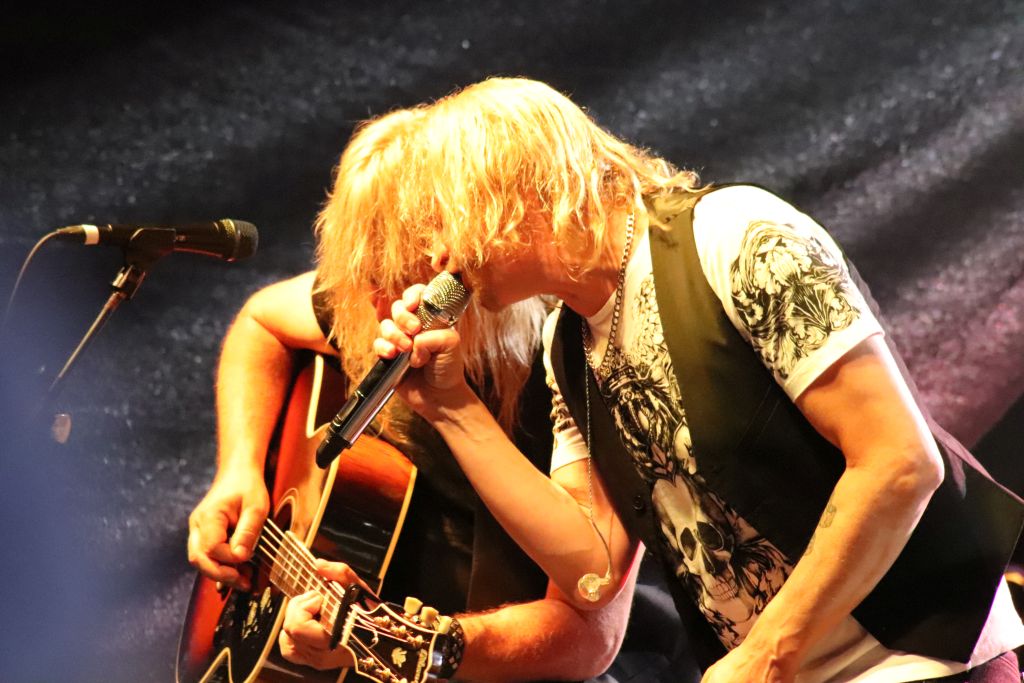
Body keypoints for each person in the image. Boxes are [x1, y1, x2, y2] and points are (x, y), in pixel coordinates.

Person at [315, 76, 1024, 682]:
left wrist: (769, 650)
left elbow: (899, 463)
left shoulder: (735, 235)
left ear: (509, 189)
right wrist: (450, 408)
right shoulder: (568, 345)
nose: (439, 253)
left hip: (922, 659)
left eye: (442, 220)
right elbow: (592, 568)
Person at [186, 271, 694, 679]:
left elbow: (588, 638)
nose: (373, 302)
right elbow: (262, 320)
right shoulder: (379, 303)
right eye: (367, 272)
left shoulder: (574, 365)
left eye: (394, 275)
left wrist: (411, 643)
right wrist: (239, 470)